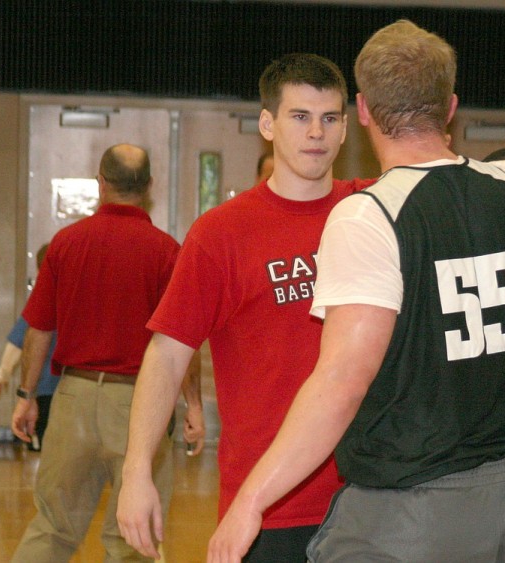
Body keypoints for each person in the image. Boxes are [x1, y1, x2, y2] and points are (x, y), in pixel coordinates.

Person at [206, 19, 505, 562]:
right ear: (451, 106)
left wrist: (251, 500)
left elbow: (342, 382)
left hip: (414, 510)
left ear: (362, 110)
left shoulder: (369, 217)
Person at [117, 54, 372, 562]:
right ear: (267, 124)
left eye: (329, 118)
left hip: (370, 499)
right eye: (300, 117)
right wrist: (136, 471)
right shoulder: (221, 234)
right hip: (267, 508)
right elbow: (167, 355)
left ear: (346, 129)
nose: (316, 133)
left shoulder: (373, 210)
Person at [9, 144, 200, 562]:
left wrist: (26, 397)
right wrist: (195, 405)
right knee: (134, 536)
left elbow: (39, 329)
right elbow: (181, 339)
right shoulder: (166, 251)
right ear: (149, 186)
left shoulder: (65, 244)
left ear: (101, 183)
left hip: (73, 397)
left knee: (53, 527)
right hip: (139, 404)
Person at [0, 246, 59, 451]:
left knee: (48, 444)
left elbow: (17, 342)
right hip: (75, 386)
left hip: (45, 388)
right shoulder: (79, 296)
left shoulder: (43, 299)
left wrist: (2, 375)